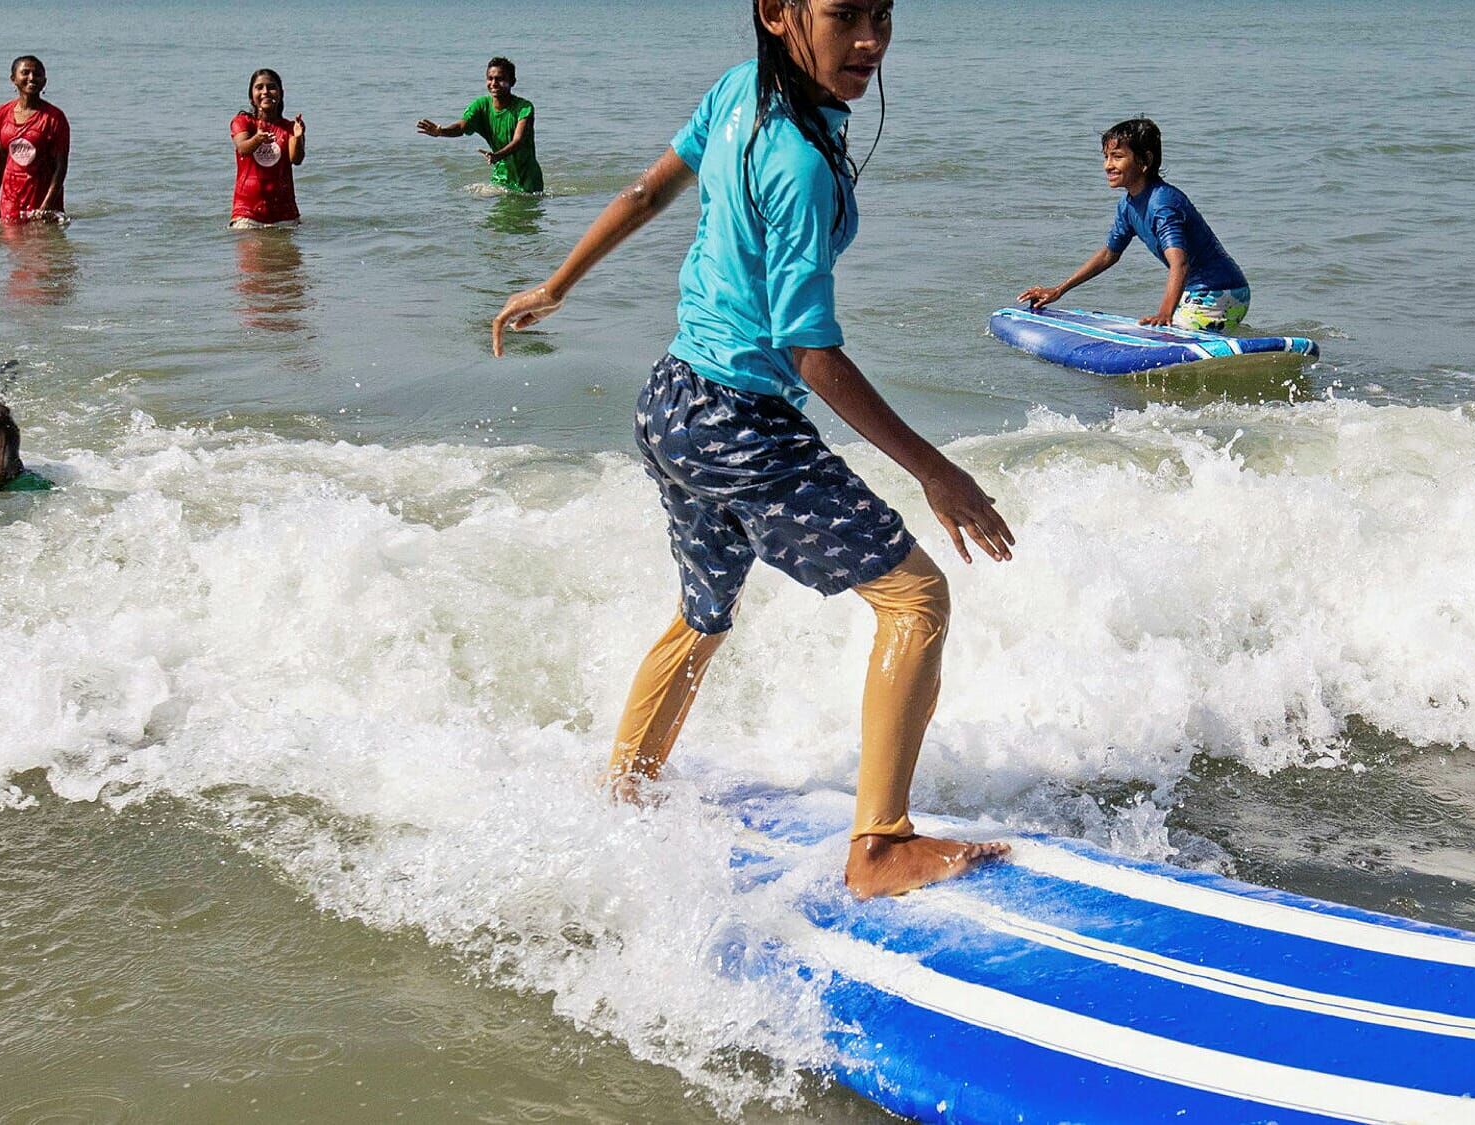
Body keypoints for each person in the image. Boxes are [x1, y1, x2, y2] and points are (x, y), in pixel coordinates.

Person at [490, 0, 1014, 899]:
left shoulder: (741, 93)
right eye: (844, 15)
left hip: (669, 404)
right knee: (917, 597)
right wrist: (937, 470)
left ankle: (626, 789)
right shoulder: (803, 163)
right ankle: (879, 846)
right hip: (738, 422)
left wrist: (558, 282)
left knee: (704, 611)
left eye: (883, 16)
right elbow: (809, 350)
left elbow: (647, 192)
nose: (869, 42)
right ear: (776, 12)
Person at [1018, 118, 1250, 331]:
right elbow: (1109, 254)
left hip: (1217, 290)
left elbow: (1179, 263)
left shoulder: (1162, 203)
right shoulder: (1128, 205)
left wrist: (1164, 314)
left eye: (1117, 157)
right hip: (1206, 291)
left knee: (1168, 338)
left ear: (1145, 161)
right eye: (1106, 157)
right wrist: (1060, 289)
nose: (1107, 166)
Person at [416, 57, 544, 194]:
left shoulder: (524, 107)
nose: (494, 83)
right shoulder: (480, 106)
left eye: (499, 79)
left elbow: (518, 140)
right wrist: (440, 131)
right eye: (490, 78)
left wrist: (497, 155)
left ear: (512, 82)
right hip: (500, 178)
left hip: (528, 180)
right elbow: (461, 127)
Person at [0, 56, 71, 225]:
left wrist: (46, 207)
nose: (32, 78)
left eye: (37, 74)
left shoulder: (54, 118)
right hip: (11, 197)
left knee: (42, 249)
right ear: (13, 79)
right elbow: (1, 153)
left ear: (44, 82)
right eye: (25, 73)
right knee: (12, 247)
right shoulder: (3, 112)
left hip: (42, 196)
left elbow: (61, 167)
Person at [231, 68, 305, 228]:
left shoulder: (290, 127)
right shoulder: (243, 122)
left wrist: (298, 137)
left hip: (285, 214)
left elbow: (296, 159)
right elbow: (243, 148)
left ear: (280, 93)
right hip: (247, 214)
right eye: (259, 87)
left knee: (286, 254)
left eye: (271, 87)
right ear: (252, 97)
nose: (265, 92)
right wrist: (257, 139)